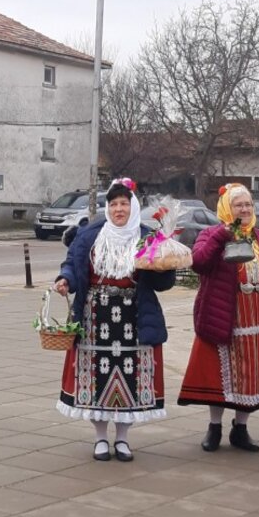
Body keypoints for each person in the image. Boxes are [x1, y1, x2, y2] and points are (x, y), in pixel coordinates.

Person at [54, 178, 175, 461]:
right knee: (97, 377)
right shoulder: (90, 236)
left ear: (133, 207)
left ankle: (122, 439)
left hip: (134, 316)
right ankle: (99, 438)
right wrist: (64, 280)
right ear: (107, 208)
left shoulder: (147, 237)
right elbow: (73, 265)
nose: (118, 209)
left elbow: (162, 282)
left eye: (124, 204)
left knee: (130, 378)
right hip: (95, 316)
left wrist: (164, 263)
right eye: (113, 204)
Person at [178, 183, 259, 452]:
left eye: (248, 204)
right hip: (227, 313)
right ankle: (214, 427)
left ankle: (240, 428)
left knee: (251, 374)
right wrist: (221, 235)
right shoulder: (211, 234)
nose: (245, 209)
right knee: (220, 375)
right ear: (227, 209)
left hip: (258, 318)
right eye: (239, 205)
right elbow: (199, 262)